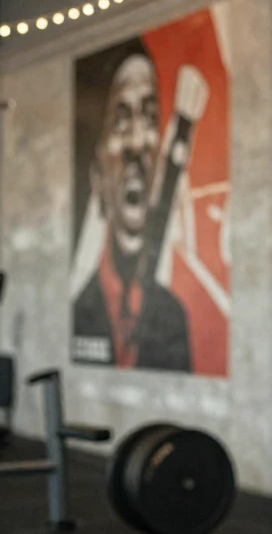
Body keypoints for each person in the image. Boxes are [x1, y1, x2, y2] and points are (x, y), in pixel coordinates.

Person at [73, 53, 192, 372]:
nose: (137, 143)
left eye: (150, 117)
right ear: (97, 173)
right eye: (121, 121)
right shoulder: (79, 311)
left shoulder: (174, 319)